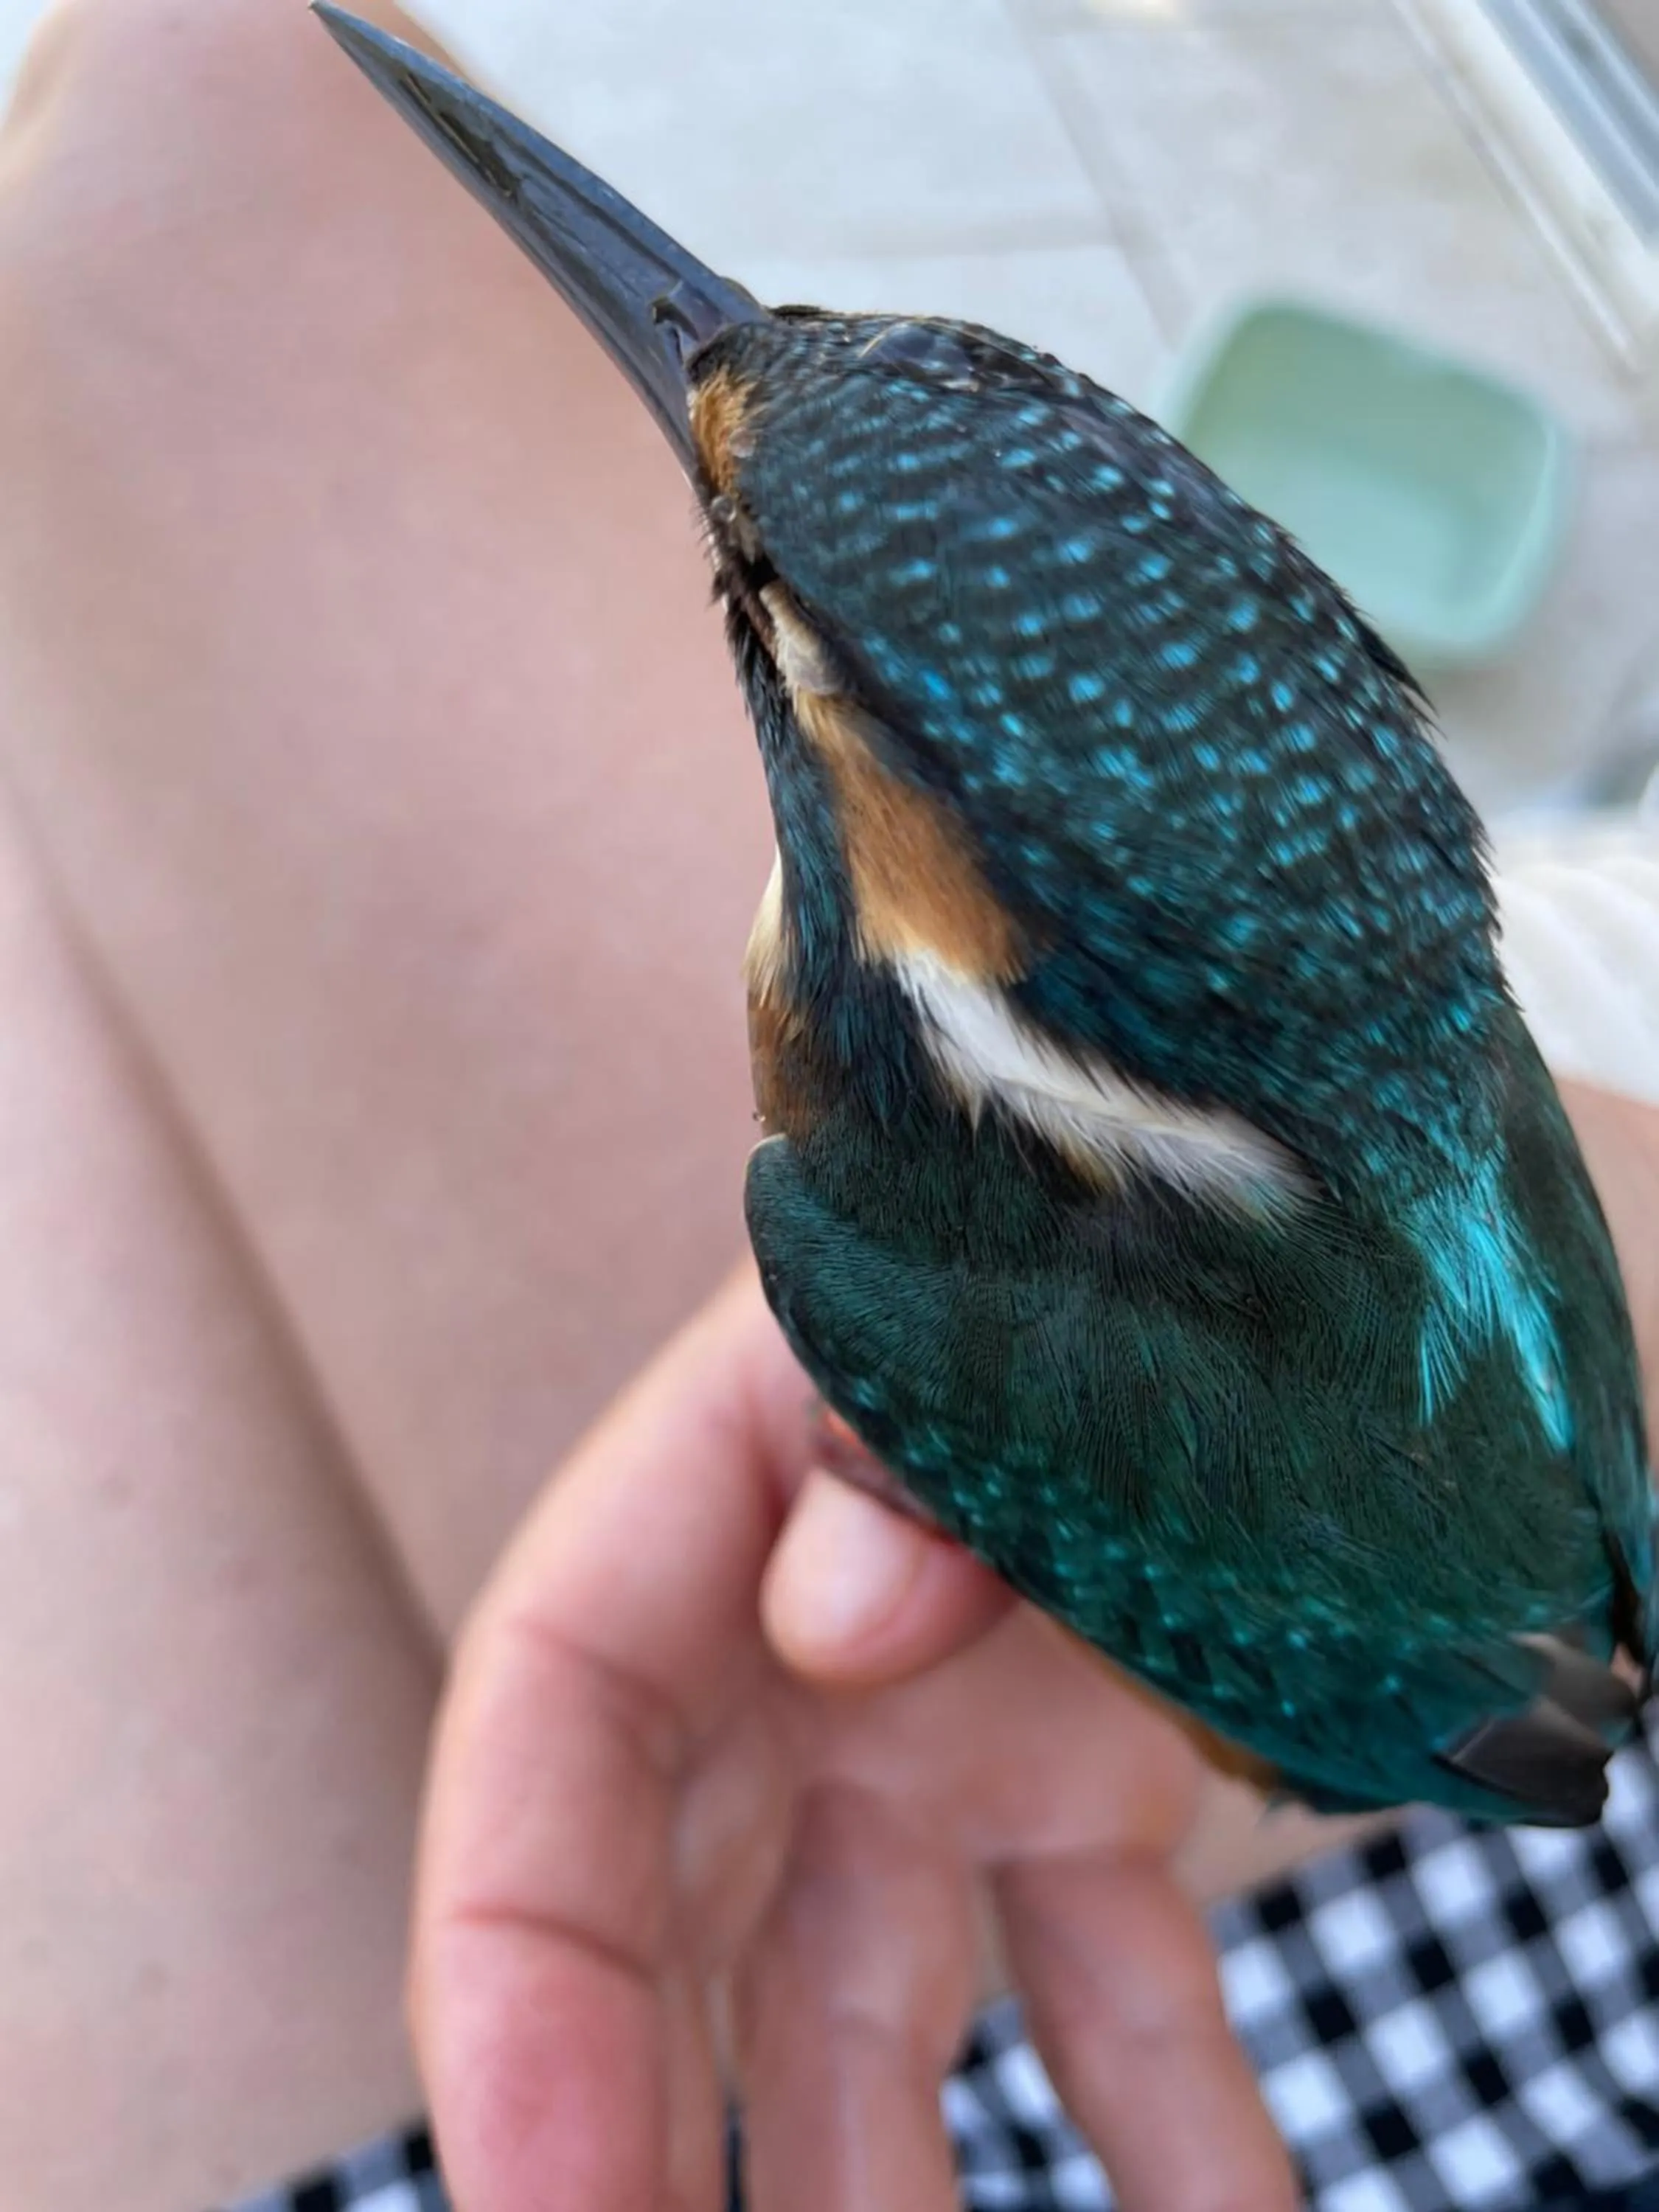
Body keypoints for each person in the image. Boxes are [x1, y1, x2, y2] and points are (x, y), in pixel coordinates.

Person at [0, 4, 1655, 2209]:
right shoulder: (1384, 1013)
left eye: (764, 600)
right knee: (209, 84)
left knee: (188, 114)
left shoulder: (878, 1259)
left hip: (1396, 1897)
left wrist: (971, 1439)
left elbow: (1501, 1717)